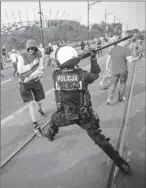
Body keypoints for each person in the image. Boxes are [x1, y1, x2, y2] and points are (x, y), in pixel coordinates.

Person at [44, 45, 131, 174]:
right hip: (84, 116)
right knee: (99, 139)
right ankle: (121, 163)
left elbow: (61, 66)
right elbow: (95, 73)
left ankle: (50, 134)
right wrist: (92, 58)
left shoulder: (55, 75)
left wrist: (78, 57)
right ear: (74, 60)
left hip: (64, 115)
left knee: (53, 120)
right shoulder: (84, 75)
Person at [17, 39, 46, 137]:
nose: (30, 51)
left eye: (32, 49)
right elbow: (20, 70)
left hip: (35, 80)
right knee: (30, 102)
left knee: (39, 100)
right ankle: (35, 125)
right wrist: (32, 64)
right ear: (26, 48)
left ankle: (39, 108)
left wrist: (31, 76)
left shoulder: (39, 55)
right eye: (29, 49)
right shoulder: (22, 56)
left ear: (35, 48)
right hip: (24, 82)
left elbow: (40, 70)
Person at [106, 37, 143, 105]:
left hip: (114, 71)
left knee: (113, 85)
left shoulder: (112, 49)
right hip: (123, 71)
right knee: (122, 84)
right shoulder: (126, 50)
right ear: (122, 42)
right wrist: (138, 57)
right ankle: (120, 97)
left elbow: (108, 58)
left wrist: (107, 67)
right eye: (126, 41)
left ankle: (109, 99)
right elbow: (130, 60)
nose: (127, 42)